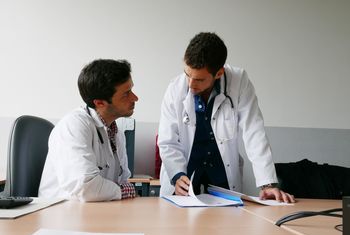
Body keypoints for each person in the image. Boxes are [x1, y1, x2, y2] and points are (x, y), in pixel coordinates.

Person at [158, 32, 295, 203]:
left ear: (218, 73)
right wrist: (177, 175)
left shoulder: (239, 82)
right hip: (183, 179)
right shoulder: (175, 89)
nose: (191, 85)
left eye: (199, 80)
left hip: (221, 178)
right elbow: (167, 141)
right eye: (187, 74)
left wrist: (268, 184)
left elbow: (254, 132)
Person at [39, 59, 138, 202]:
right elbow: (85, 187)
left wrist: (122, 189)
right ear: (100, 103)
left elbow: (122, 180)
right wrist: (124, 191)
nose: (135, 98)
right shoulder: (73, 126)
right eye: (126, 94)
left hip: (97, 212)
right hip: (62, 215)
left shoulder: (116, 133)